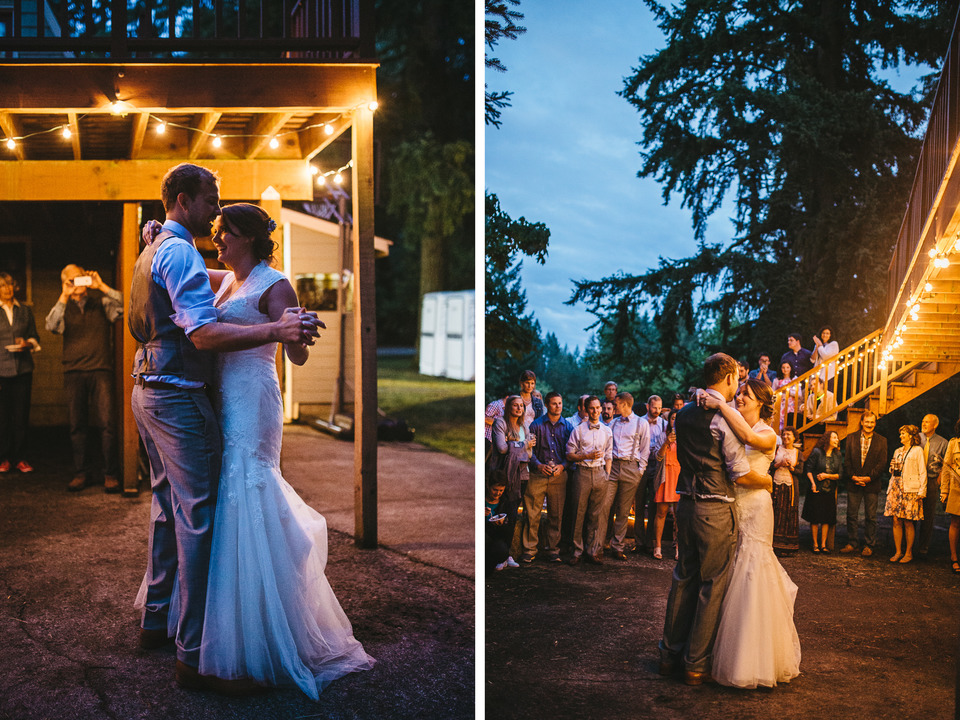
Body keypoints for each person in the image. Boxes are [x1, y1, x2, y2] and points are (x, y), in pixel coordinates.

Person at [130, 164, 323, 693]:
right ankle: (198, 644)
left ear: (250, 239)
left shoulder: (270, 282)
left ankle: (213, 625)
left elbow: (297, 350)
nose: (216, 230)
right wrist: (159, 232)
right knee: (200, 512)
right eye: (212, 210)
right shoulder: (214, 270)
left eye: (225, 229)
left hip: (246, 399)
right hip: (193, 395)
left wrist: (292, 330)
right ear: (184, 200)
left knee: (220, 502)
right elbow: (202, 323)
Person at [658, 354, 772, 686]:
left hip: (685, 505)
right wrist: (768, 481)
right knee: (711, 586)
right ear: (730, 378)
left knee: (683, 578)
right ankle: (695, 664)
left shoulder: (683, 413)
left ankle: (668, 655)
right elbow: (738, 472)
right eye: (738, 379)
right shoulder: (723, 419)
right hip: (716, 509)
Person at [702, 378, 801, 688]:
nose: (740, 397)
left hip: (756, 509)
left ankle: (751, 659)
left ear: (760, 402)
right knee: (729, 569)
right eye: (740, 392)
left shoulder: (768, 434)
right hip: (732, 504)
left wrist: (720, 404)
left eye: (746, 394)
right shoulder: (731, 427)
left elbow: (747, 439)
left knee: (751, 569)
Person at [46, 264, 123, 493]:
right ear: (64, 282)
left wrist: (102, 286)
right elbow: (51, 325)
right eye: (71, 279)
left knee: (107, 424)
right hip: (74, 371)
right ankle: (81, 473)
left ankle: (110, 473)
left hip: (101, 369)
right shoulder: (63, 306)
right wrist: (64, 295)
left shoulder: (101, 302)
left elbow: (125, 304)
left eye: (79, 277)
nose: (76, 282)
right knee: (77, 425)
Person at [523, 392, 572, 564]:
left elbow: (571, 452)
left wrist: (563, 466)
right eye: (554, 403)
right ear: (546, 405)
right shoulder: (536, 425)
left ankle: (553, 549)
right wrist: (538, 465)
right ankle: (529, 549)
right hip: (538, 474)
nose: (557, 406)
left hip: (558, 475)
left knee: (556, 515)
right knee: (532, 514)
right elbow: (529, 451)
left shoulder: (568, 427)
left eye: (560, 403)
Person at [0, 272, 40, 474]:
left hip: (23, 369)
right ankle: (4, 458)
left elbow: (35, 337)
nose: (7, 289)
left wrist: (27, 343)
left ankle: (20, 458)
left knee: (21, 416)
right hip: (1, 371)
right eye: (2, 285)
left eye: (9, 285)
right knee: (3, 417)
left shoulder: (24, 310)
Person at [565, 395, 612, 565]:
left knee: (595, 514)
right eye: (592, 408)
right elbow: (569, 454)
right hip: (582, 473)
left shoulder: (607, 430)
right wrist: (586, 456)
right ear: (586, 409)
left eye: (598, 407)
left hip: (600, 474)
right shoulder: (578, 430)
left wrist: (606, 475)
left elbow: (609, 454)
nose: (595, 411)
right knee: (578, 513)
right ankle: (576, 551)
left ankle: (592, 551)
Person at [602, 392, 649, 561]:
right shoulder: (613, 423)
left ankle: (618, 547)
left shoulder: (641, 423)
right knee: (605, 506)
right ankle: (599, 545)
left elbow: (645, 449)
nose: (614, 407)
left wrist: (639, 471)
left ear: (624, 404)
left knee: (623, 510)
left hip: (631, 467)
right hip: (613, 466)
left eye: (616, 404)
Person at [492, 394, 535, 568]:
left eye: (521, 406)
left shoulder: (525, 426)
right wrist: (523, 445)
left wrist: (515, 444)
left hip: (522, 475)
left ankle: (506, 554)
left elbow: (529, 454)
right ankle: (496, 554)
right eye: (515, 405)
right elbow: (501, 448)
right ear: (508, 406)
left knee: (512, 514)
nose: (519, 408)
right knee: (499, 514)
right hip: (504, 474)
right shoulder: (500, 423)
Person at [839, 412, 888, 557]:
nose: (869, 425)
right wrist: (853, 476)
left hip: (872, 484)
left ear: (875, 423)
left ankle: (869, 545)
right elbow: (847, 461)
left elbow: (882, 464)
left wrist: (868, 478)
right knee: (851, 515)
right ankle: (852, 543)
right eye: (867, 422)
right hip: (853, 482)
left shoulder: (882, 440)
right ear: (861, 422)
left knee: (871, 517)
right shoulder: (851, 438)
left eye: (872, 422)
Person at [884, 424, 927, 564]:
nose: (900, 436)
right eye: (900, 433)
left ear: (911, 436)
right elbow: (894, 470)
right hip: (896, 488)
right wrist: (892, 467)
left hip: (910, 489)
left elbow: (922, 472)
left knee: (908, 521)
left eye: (903, 433)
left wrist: (922, 491)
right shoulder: (897, 450)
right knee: (896, 520)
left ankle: (908, 553)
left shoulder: (917, 450)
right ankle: (898, 552)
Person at [632, 395, 668, 553]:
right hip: (641, 465)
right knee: (639, 504)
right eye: (654, 407)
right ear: (648, 406)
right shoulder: (639, 422)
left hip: (657, 466)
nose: (657, 411)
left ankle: (649, 542)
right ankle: (639, 542)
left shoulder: (664, 424)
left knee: (654, 504)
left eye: (660, 408)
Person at [802, 431, 841, 553]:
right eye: (834, 437)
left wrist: (827, 476)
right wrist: (813, 483)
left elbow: (840, 474)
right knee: (815, 517)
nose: (837, 440)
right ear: (827, 439)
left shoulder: (837, 455)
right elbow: (808, 469)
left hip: (829, 490)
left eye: (837, 438)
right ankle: (815, 544)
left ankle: (823, 545)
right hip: (817, 489)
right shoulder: (817, 452)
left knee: (826, 518)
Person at [917, 414, 948, 557]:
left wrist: (939, 480)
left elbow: (946, 464)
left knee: (928, 515)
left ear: (935, 425)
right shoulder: (916, 438)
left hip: (931, 480)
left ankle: (923, 547)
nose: (923, 424)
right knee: (910, 514)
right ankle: (908, 546)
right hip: (915, 480)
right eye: (923, 421)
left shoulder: (943, 442)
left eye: (927, 422)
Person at [651, 410, 680, 561]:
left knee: (679, 515)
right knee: (661, 513)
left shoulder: (686, 436)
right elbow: (658, 456)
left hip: (679, 476)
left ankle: (679, 547)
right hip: (665, 476)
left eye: (678, 418)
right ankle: (657, 546)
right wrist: (667, 442)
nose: (675, 421)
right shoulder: (663, 435)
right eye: (673, 418)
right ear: (669, 421)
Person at [772, 426, 801, 556]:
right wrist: (779, 464)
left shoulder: (798, 453)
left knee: (789, 513)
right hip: (777, 484)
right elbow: (769, 466)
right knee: (776, 511)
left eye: (788, 435)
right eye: (783, 435)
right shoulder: (777, 449)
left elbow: (801, 471)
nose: (785, 437)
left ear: (794, 437)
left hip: (790, 486)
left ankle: (789, 546)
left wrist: (791, 467)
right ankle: (774, 545)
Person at [938, 420, 960, 574]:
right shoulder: (954, 443)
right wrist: (944, 491)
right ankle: (954, 558)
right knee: (955, 522)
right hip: (956, 489)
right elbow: (946, 468)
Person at [485, 472, 514, 571]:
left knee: (501, 549)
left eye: (501, 490)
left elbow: (509, 532)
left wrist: (502, 524)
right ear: (488, 486)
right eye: (495, 490)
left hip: (496, 538)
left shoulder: (505, 503)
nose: (497, 493)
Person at [810, 326, 839, 392]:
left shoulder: (833, 344)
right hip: (817, 375)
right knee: (817, 395)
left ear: (830, 335)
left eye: (827, 333)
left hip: (828, 375)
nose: (825, 335)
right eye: (823, 333)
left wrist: (820, 345)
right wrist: (817, 346)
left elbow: (825, 356)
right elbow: (812, 360)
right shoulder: (818, 345)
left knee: (827, 394)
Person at [772, 361, 799, 432]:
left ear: (791, 368)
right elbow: (773, 393)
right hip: (779, 404)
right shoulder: (777, 380)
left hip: (791, 404)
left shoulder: (794, 379)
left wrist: (788, 392)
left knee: (789, 420)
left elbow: (799, 394)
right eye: (783, 367)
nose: (785, 369)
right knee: (779, 421)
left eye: (787, 367)